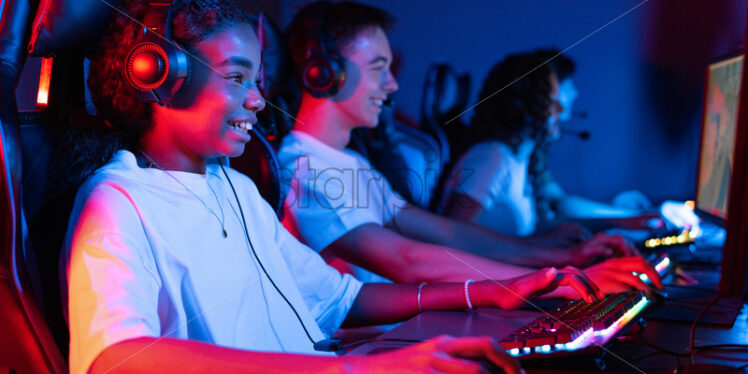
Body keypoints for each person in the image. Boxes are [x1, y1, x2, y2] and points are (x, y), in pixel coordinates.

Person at [61, 1, 600, 373]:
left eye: (258, 82)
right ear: (161, 75)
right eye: (236, 78)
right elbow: (114, 357)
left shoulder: (235, 190)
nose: (257, 100)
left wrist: (489, 290)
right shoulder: (119, 201)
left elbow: (344, 298)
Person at [278, 1, 662, 295]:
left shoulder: (348, 162)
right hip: (378, 349)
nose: (392, 86)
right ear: (323, 72)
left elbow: (450, 234)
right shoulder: (306, 169)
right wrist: (556, 280)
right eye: (379, 68)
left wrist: (561, 259)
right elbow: (406, 259)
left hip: (407, 332)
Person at [442, 50, 654, 237]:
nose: (561, 111)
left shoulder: (517, 162)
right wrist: (538, 249)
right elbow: (452, 238)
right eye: (552, 102)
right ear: (520, 107)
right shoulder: (490, 158)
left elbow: (552, 212)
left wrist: (626, 220)